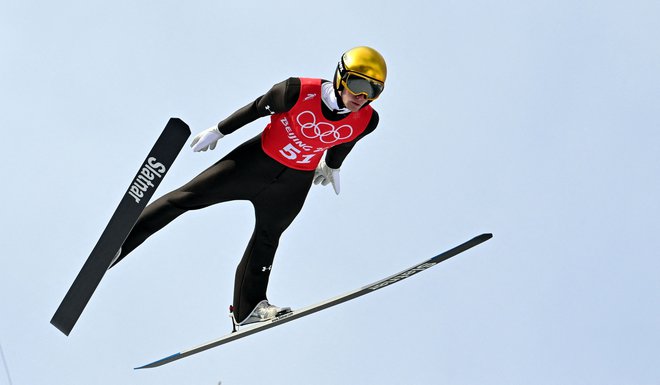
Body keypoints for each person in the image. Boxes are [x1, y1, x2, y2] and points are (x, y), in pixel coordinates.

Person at [110, 46, 387, 330]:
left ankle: (249, 308)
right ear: (340, 76)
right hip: (253, 165)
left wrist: (333, 165)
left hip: (293, 184)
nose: (362, 96)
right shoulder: (296, 90)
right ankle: (117, 245)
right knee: (185, 199)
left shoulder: (368, 120)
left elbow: (346, 140)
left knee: (268, 237)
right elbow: (257, 108)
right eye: (357, 83)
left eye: (373, 91)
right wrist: (219, 130)